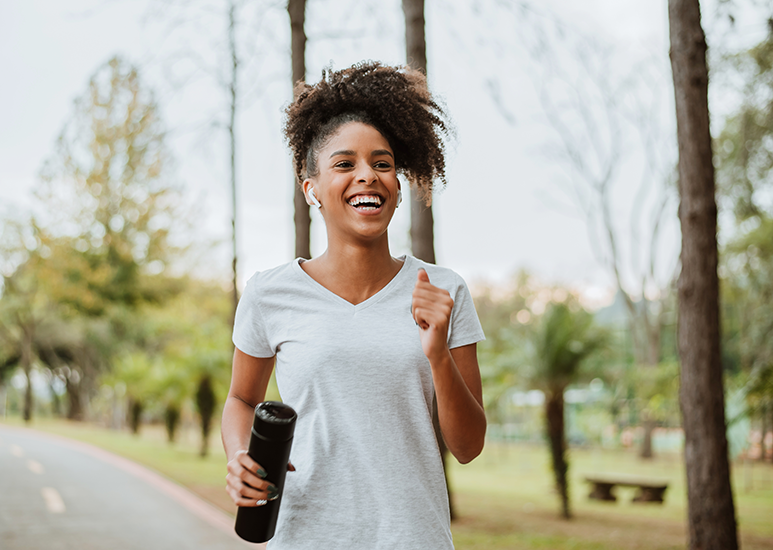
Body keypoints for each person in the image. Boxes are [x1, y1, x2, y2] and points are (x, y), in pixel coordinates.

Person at [222, 61, 486, 550]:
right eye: (345, 164)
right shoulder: (268, 293)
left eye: (382, 163)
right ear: (312, 189)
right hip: (304, 538)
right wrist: (240, 454)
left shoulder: (443, 291)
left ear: (398, 185)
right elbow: (241, 399)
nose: (368, 175)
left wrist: (437, 355)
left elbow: (468, 447)